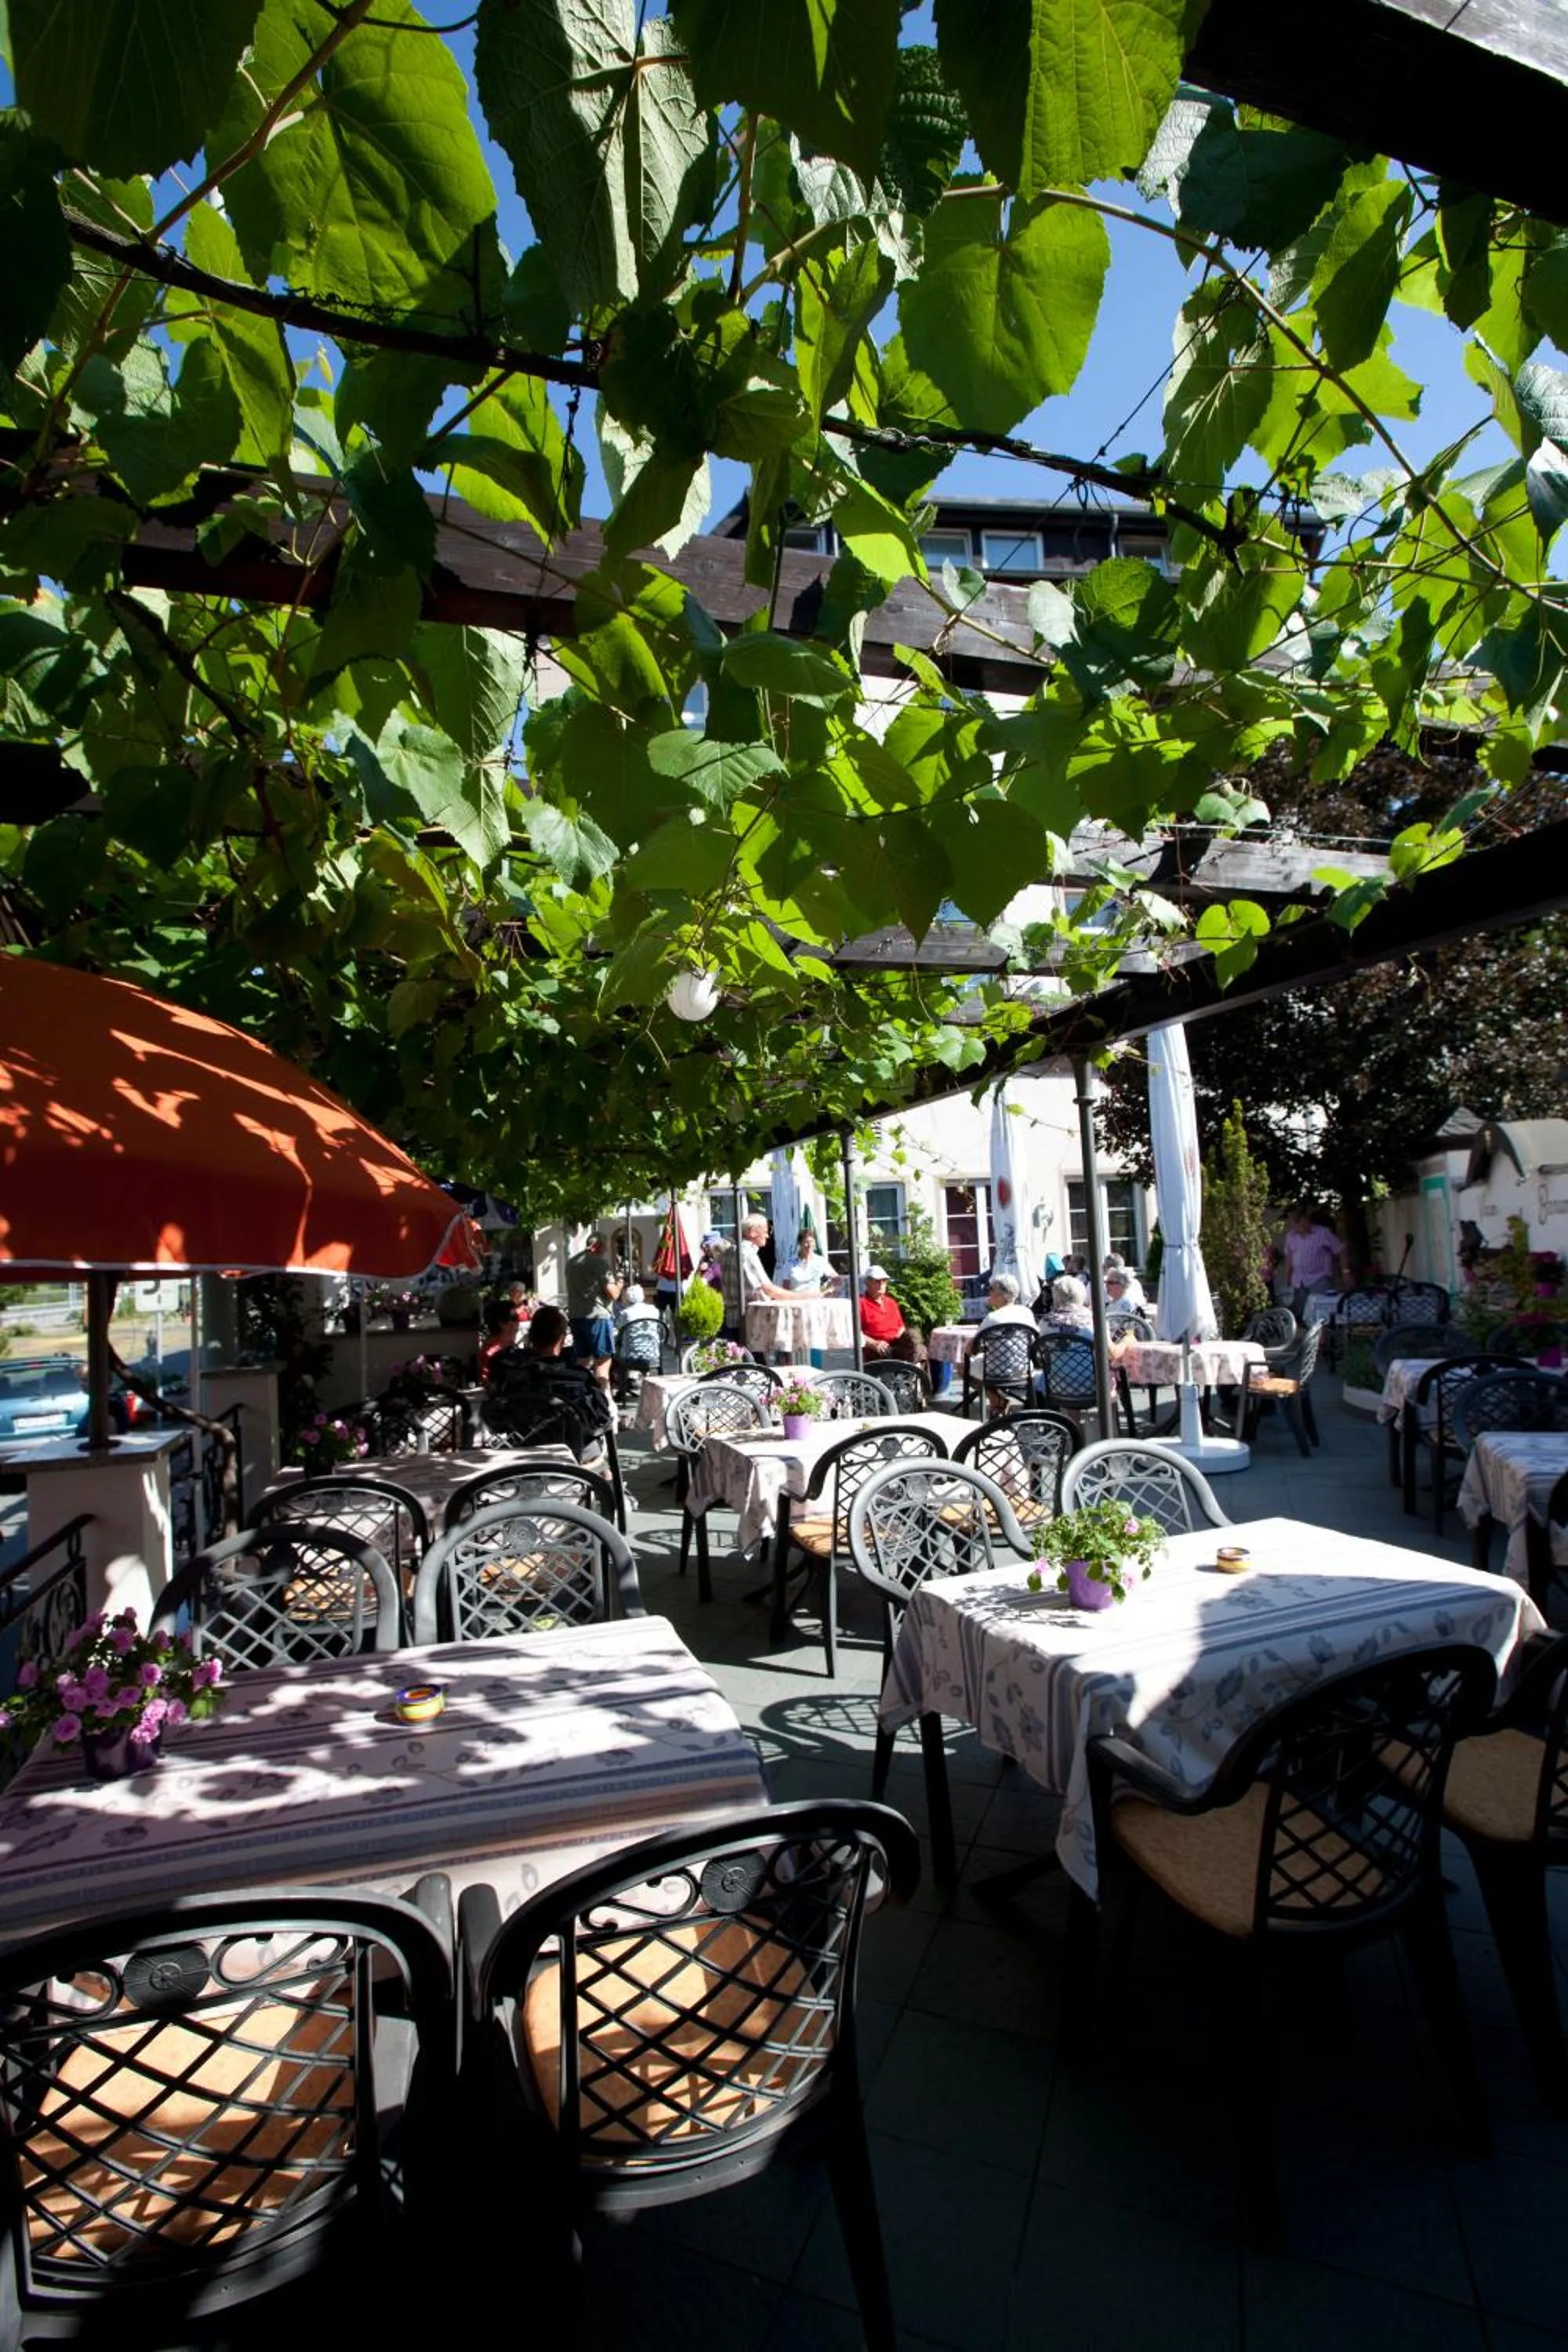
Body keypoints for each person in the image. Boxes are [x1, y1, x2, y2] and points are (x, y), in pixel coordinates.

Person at [487, 1301, 613, 1461]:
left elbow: (495, 1415)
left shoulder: (507, 1369)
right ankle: (609, 1481)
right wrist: (601, 1385)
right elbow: (600, 1417)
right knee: (602, 1448)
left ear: (531, 1334)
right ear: (562, 1337)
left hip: (520, 1450)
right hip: (572, 1453)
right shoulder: (575, 1377)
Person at [564, 1232, 620, 1385]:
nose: (607, 1250)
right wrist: (620, 1285)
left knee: (582, 1360)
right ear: (597, 1246)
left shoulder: (571, 1263)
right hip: (597, 1317)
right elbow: (613, 1294)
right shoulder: (599, 1263)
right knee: (603, 1360)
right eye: (605, 1247)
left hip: (576, 1315)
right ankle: (603, 1397)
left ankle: (580, 1394)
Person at [1282, 1203, 1349, 1317]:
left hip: (1319, 1279)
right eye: (1294, 1223)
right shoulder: (1291, 1236)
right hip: (1299, 1281)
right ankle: (1309, 1334)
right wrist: (1288, 1282)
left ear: (1307, 1219)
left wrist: (1346, 1272)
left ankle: (1324, 1334)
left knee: (1322, 1313)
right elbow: (1289, 1260)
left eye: (1299, 1222)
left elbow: (1341, 1250)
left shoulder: (1323, 1233)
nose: (1297, 1226)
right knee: (1302, 1314)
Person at [858, 1265, 926, 1367]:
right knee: (921, 1350)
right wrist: (873, 1343)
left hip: (896, 1344)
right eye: (877, 1281)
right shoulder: (861, 1303)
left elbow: (901, 1327)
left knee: (915, 1338)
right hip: (877, 1349)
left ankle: (915, 1375)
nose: (882, 1284)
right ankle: (914, 1375)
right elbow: (855, 1333)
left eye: (884, 1281)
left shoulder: (891, 1303)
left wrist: (897, 1338)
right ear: (867, 1283)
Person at [478, 1296, 520, 1385]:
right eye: (515, 1318)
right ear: (502, 1324)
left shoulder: (501, 1347)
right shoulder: (494, 1352)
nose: (518, 1323)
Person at [1038, 1273, 1095, 1338]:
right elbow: (1107, 1345)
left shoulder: (1045, 1321)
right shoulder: (1094, 1319)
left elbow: (1039, 1345)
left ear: (1056, 1297)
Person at [783, 1229, 837, 1294]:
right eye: (806, 1242)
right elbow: (785, 1287)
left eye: (812, 1242)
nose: (810, 1245)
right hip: (796, 1301)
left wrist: (827, 1291)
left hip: (815, 1301)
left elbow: (837, 1279)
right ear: (800, 1243)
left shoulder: (820, 1261)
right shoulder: (790, 1262)